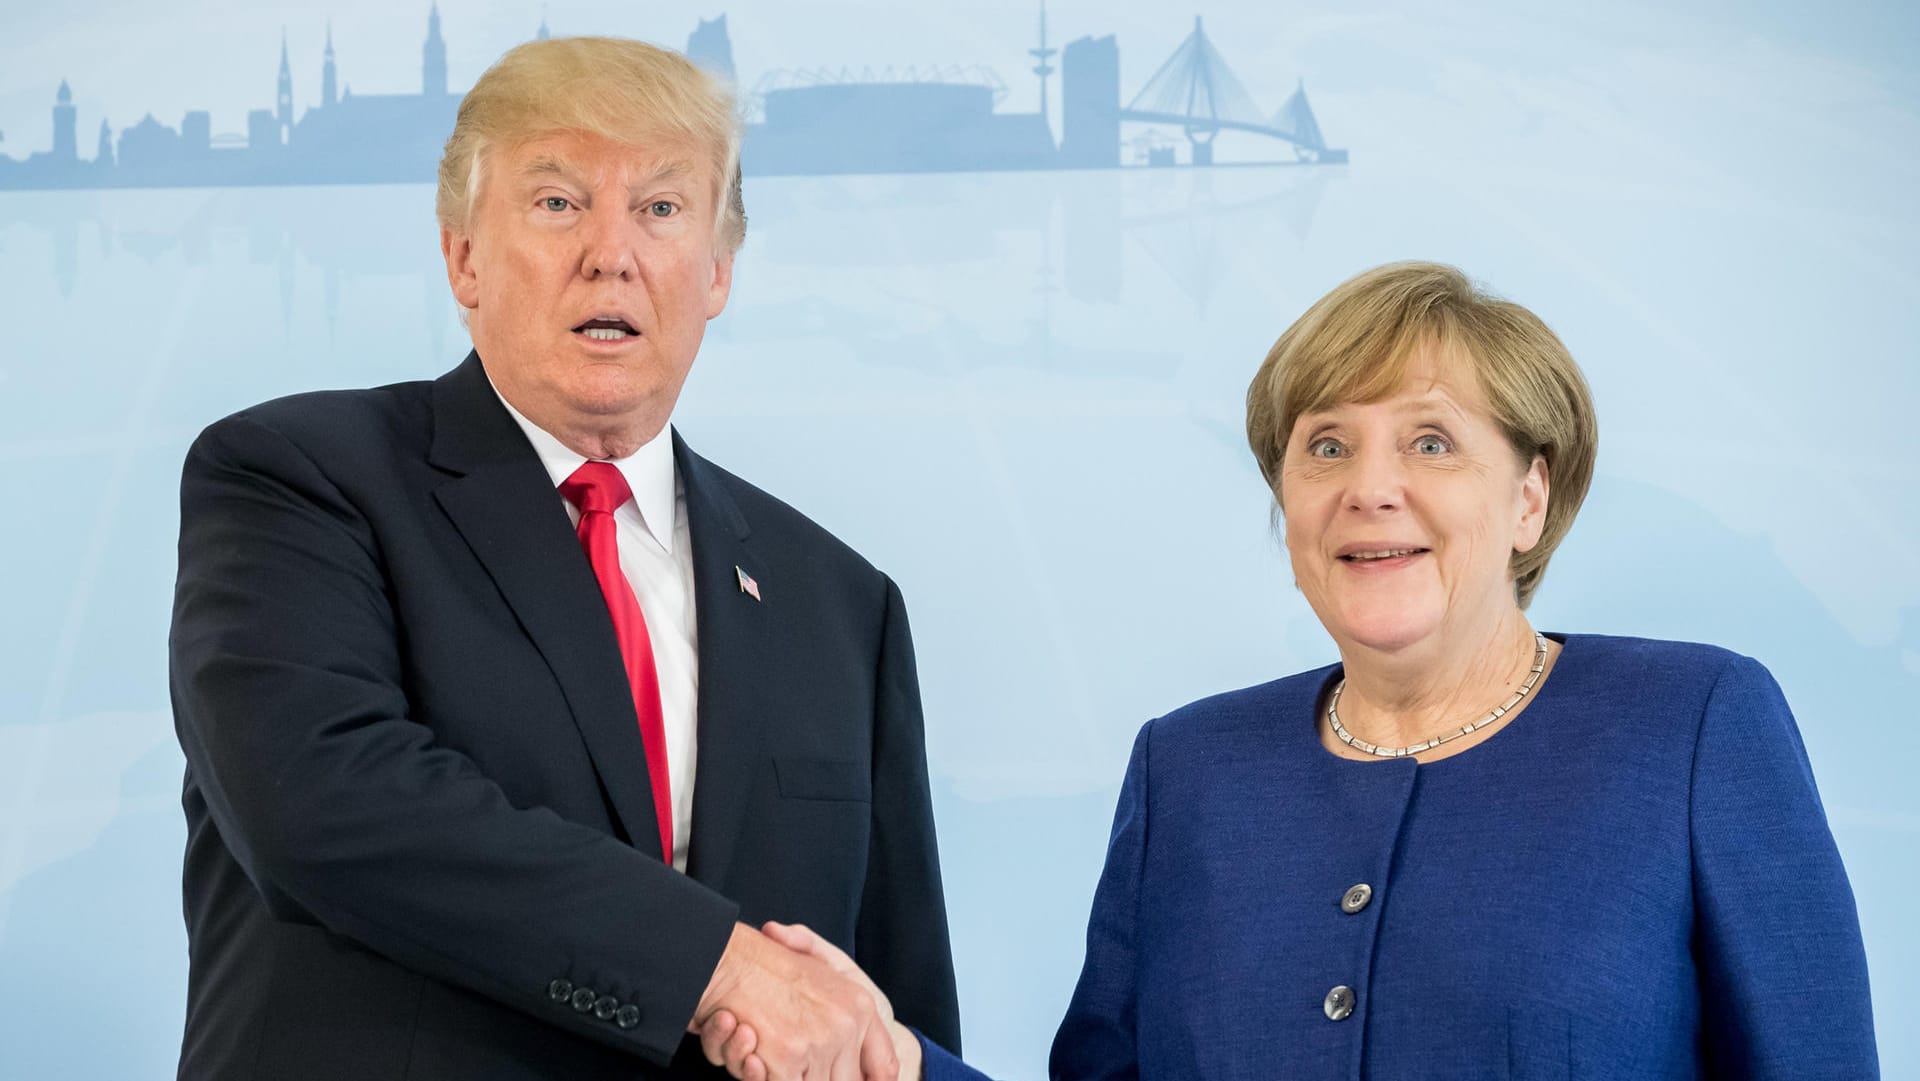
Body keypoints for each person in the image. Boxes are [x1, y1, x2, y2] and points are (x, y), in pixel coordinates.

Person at [700, 262, 1877, 1079]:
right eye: (1325, 446)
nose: (1370, 486)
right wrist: (891, 1060)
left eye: (1430, 440)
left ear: (1530, 494)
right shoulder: (1191, 768)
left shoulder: (1694, 725)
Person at [169, 37, 959, 1080]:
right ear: (463, 257)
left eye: (663, 210)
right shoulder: (300, 480)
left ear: (718, 271)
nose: (611, 253)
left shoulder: (842, 604)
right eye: (556, 202)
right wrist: (717, 966)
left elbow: (892, 1022)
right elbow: (325, 801)